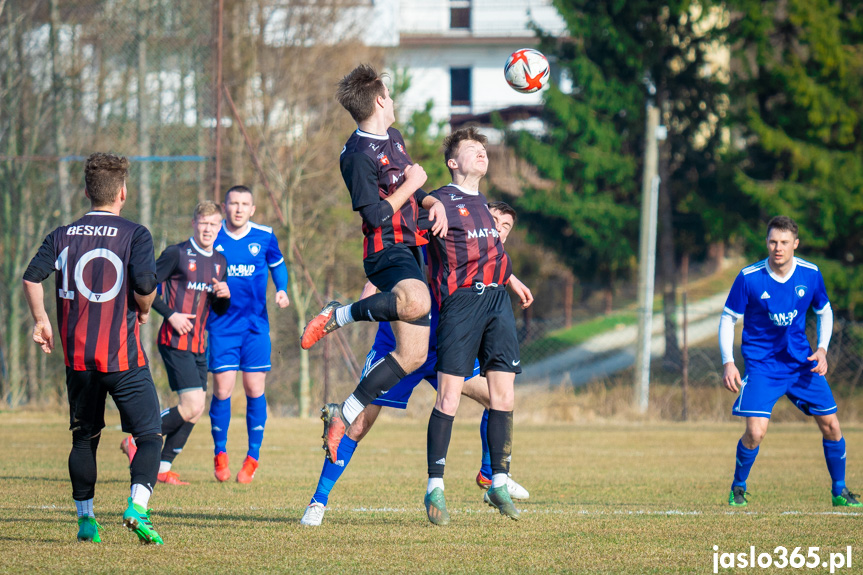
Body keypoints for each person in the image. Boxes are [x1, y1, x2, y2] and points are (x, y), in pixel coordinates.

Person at [300, 202, 532, 526]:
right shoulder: (443, 238)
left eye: (504, 227)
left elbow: (495, 269)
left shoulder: (486, 263)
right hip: (398, 346)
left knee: (497, 399)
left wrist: (512, 280)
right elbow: (401, 253)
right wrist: (374, 288)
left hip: (443, 349)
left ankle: (489, 475)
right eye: (493, 222)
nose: (496, 230)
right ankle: (317, 502)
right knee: (358, 425)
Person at [300, 64, 449, 465]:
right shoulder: (356, 155)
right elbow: (374, 216)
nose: (395, 99)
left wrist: (432, 202)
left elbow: (414, 193)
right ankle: (341, 313)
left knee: (414, 355)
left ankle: (343, 413)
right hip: (386, 251)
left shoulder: (394, 138)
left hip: (412, 247)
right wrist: (413, 186)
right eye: (391, 93)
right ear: (381, 99)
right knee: (418, 302)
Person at [22, 153, 164, 544]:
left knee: (84, 438)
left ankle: (86, 521)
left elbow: (31, 278)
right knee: (150, 435)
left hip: (79, 359)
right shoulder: (136, 234)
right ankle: (137, 506)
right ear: (123, 192)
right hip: (123, 358)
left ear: (86, 192)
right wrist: (146, 311)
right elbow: (145, 287)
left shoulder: (62, 235)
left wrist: (42, 321)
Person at [423, 126, 532, 525]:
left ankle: (498, 480)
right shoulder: (442, 201)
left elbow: (493, 254)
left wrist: (512, 279)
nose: (482, 153)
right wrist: (428, 198)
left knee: (504, 395)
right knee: (448, 398)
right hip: (462, 303)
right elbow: (411, 204)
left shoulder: (485, 205)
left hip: (497, 304)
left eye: (484, 149)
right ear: (453, 162)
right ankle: (435, 487)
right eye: (472, 149)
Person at [720, 215, 861, 508]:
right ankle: (738, 487)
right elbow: (728, 319)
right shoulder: (749, 277)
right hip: (762, 367)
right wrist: (728, 362)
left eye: (784, 242)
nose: (777, 248)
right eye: (772, 241)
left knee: (832, 426)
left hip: (800, 364)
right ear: (766, 243)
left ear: (795, 244)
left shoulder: (810, 274)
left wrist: (822, 349)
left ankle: (839, 490)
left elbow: (824, 311)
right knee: (755, 432)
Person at [121, 201, 231, 485]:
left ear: (220, 228)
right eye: (203, 223)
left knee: (196, 410)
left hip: (198, 344)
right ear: (194, 224)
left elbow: (219, 310)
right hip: (174, 339)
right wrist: (171, 315)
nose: (208, 229)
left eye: (213, 224)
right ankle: (135, 440)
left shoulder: (220, 261)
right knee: (191, 404)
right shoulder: (177, 254)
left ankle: (162, 466)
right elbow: (144, 285)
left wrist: (224, 296)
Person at [207, 185, 290, 483]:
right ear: (224, 206)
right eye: (233, 203)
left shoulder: (264, 235)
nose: (239, 209)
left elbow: (278, 266)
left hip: (255, 327)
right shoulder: (213, 236)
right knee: (222, 390)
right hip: (221, 326)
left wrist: (281, 290)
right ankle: (220, 452)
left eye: (245, 204)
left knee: (255, 389)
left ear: (252, 209)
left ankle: (253, 457)